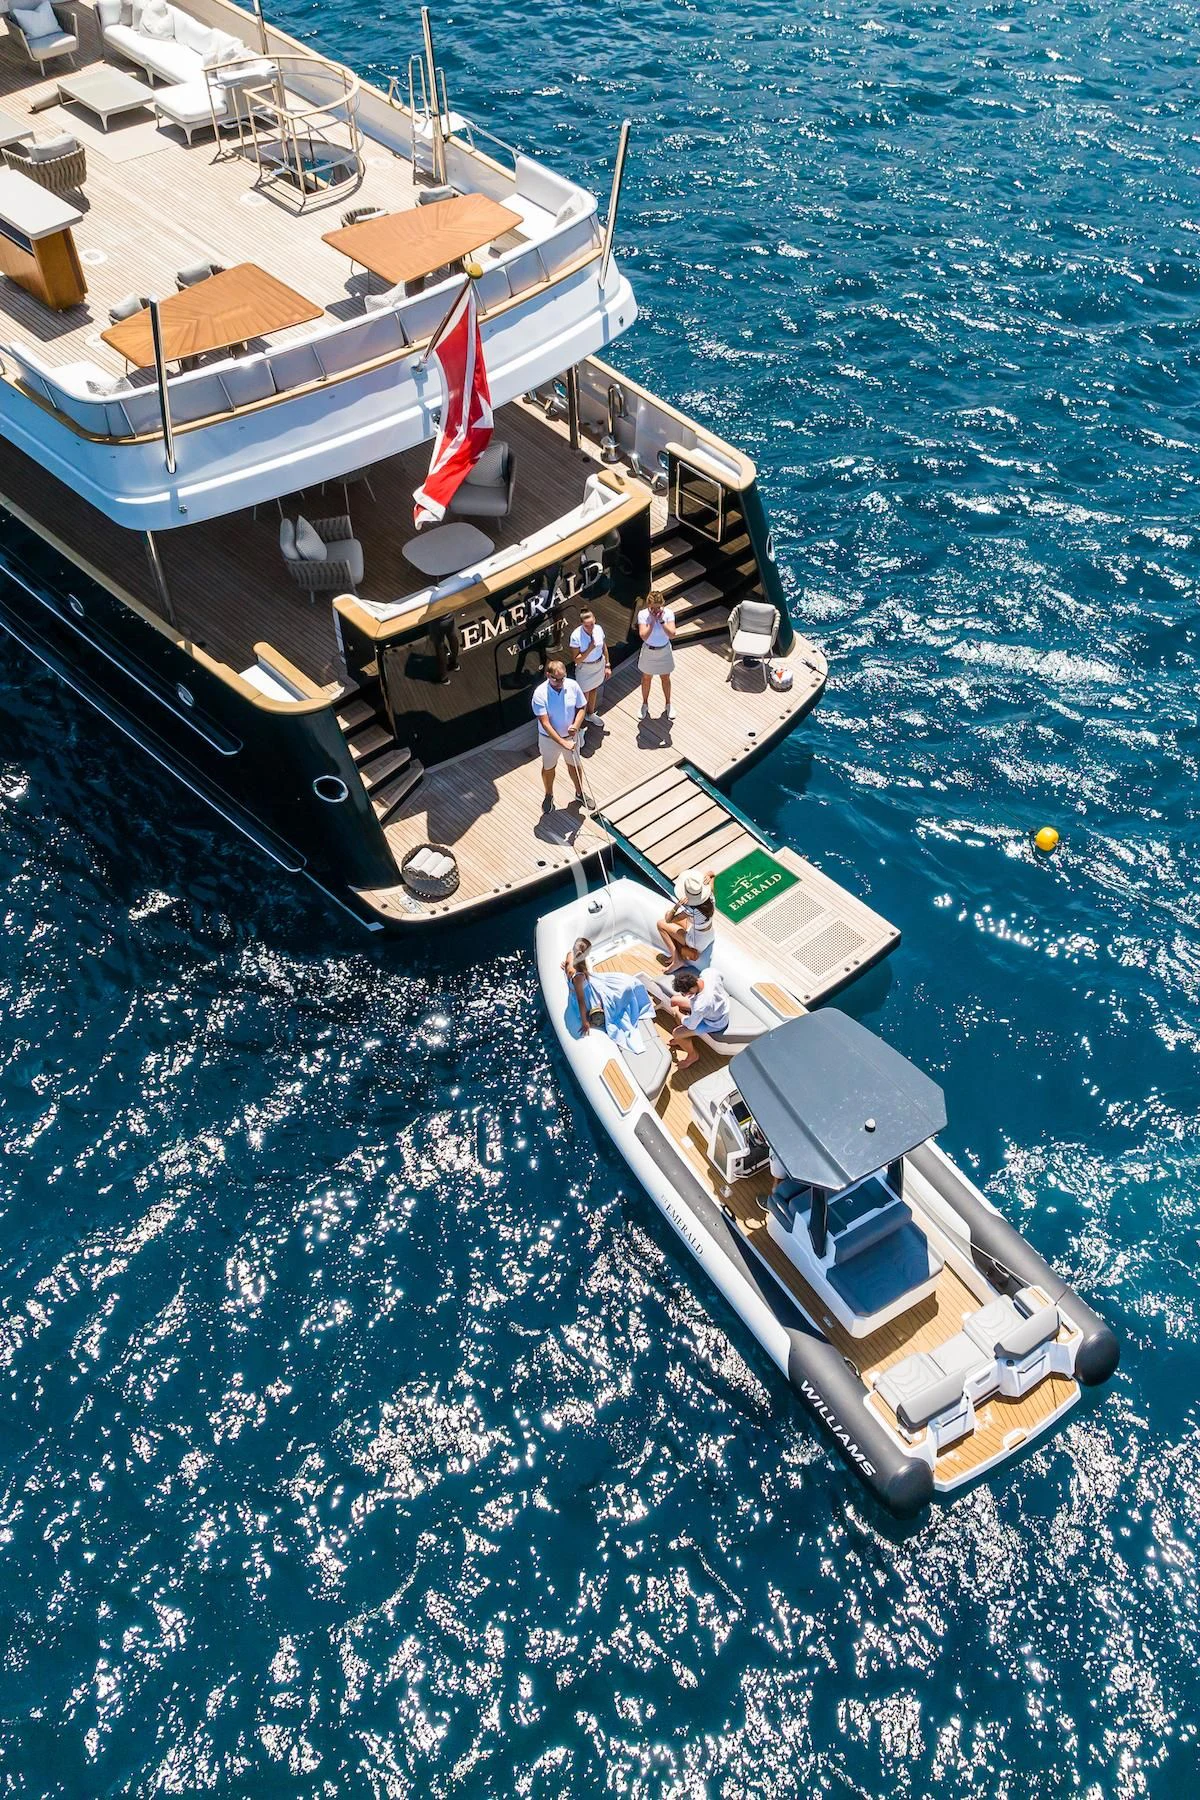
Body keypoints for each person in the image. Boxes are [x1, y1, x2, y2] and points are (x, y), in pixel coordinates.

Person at [563, 936, 654, 1045]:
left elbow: (568, 966)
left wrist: (566, 967)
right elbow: (581, 1000)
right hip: (587, 996)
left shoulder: (570, 956)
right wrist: (585, 1022)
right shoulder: (579, 976)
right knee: (619, 993)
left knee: (622, 986)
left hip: (589, 987)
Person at [531, 657, 593, 815]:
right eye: (556, 679)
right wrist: (562, 742)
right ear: (547, 675)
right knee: (549, 767)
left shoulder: (573, 686)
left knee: (575, 765)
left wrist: (576, 725)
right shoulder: (540, 694)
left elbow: (581, 707)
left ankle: (579, 794)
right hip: (548, 739)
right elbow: (545, 723)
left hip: (570, 737)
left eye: (562, 678)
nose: (559, 682)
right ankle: (548, 795)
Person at [660, 964, 730, 1070]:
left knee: (677, 1033)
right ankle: (685, 1038)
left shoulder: (700, 1005)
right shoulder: (708, 973)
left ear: (692, 987)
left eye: (685, 993)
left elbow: (691, 1025)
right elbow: (721, 976)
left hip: (715, 1022)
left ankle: (693, 1055)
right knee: (675, 1000)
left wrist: (677, 1013)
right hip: (720, 1004)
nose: (684, 995)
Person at [656, 867, 716, 970]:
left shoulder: (690, 910)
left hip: (696, 941)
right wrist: (708, 875)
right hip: (709, 934)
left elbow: (668, 920)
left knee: (661, 924)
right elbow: (712, 874)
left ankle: (677, 960)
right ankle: (677, 957)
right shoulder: (710, 896)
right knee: (679, 921)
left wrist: (677, 906)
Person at [637, 588, 676, 720]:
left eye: (658, 607)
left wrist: (661, 621)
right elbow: (644, 636)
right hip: (649, 650)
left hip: (664, 651)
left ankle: (668, 704)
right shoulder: (643, 615)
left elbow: (671, 634)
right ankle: (644, 704)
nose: (655, 610)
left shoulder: (669, 614)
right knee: (646, 678)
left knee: (665, 678)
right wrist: (653, 621)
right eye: (652, 608)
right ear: (648, 606)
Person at [568, 607, 610, 732]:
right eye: (587, 626)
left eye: (592, 624)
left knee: (594, 689)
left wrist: (607, 664)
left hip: (598, 664)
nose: (590, 627)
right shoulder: (576, 636)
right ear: (582, 624)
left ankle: (590, 714)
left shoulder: (598, 629)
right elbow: (577, 659)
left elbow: (604, 646)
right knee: (583, 698)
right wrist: (590, 648)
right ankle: (579, 727)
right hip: (585, 668)